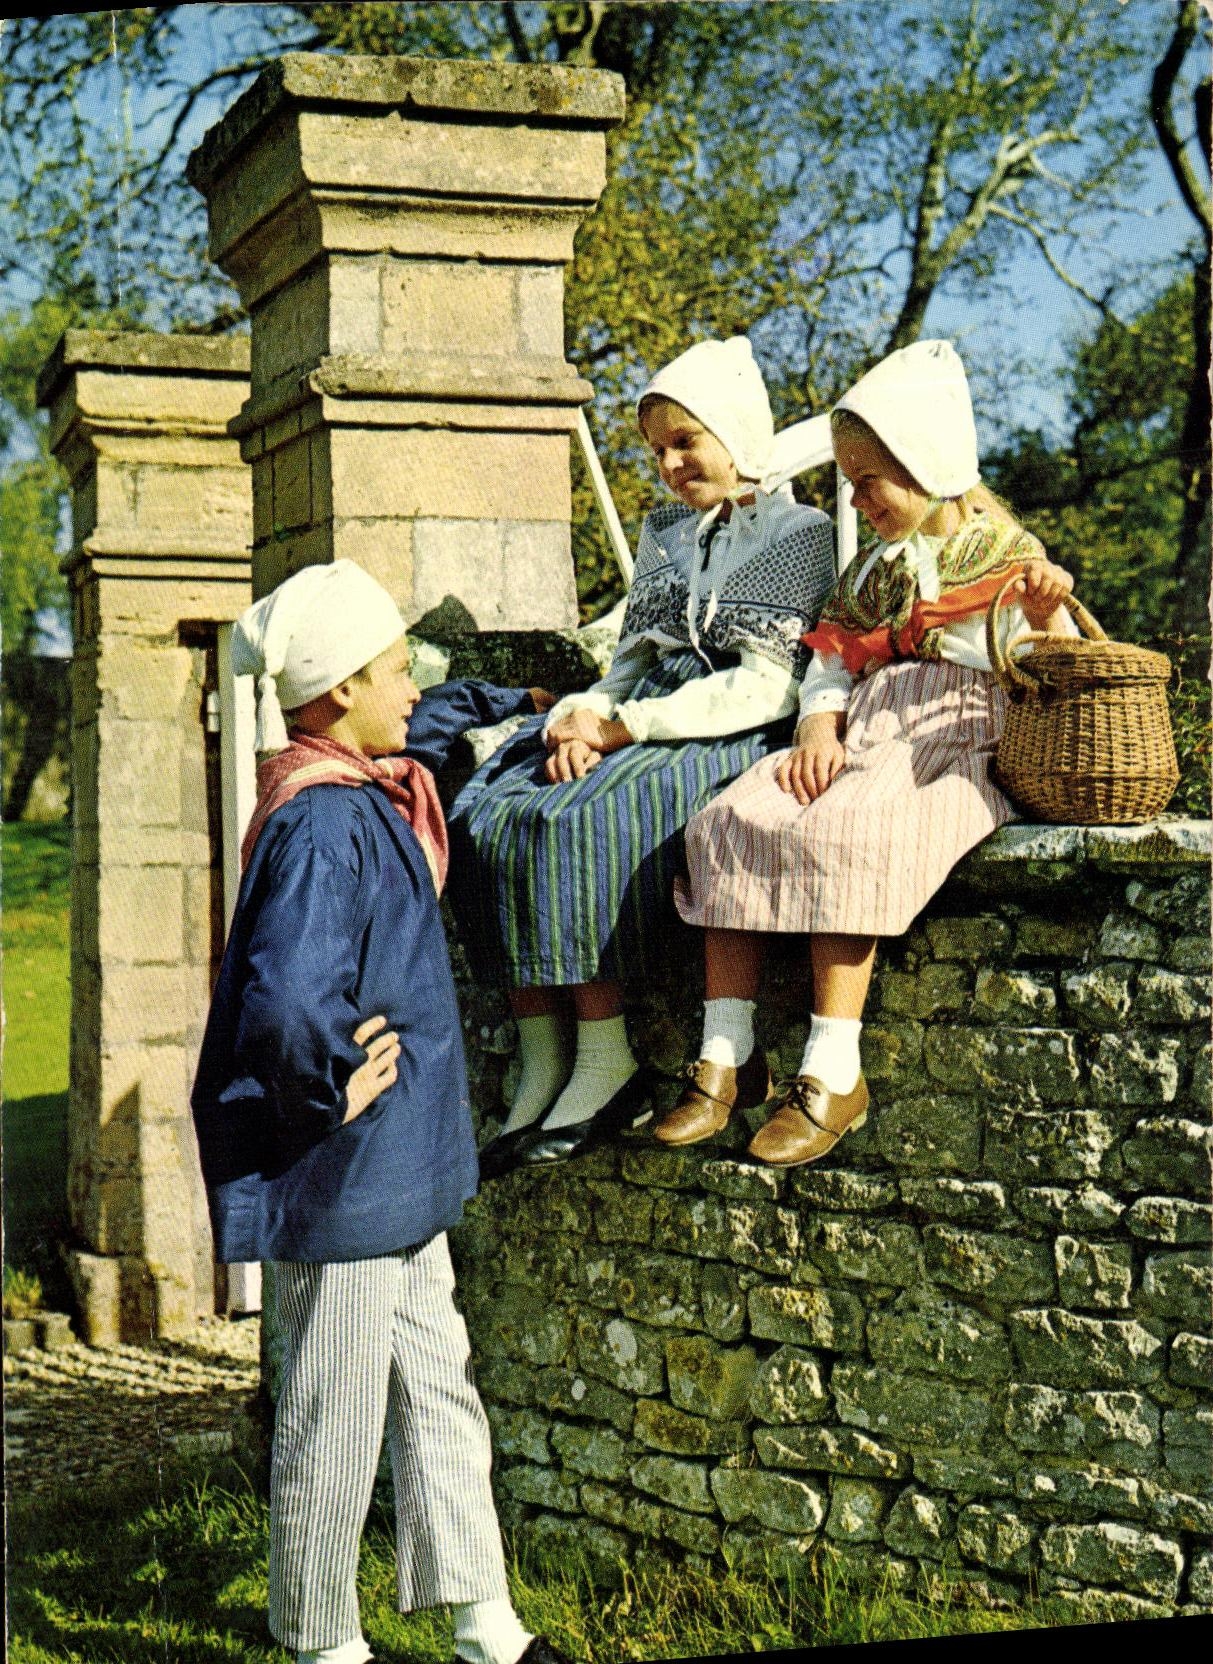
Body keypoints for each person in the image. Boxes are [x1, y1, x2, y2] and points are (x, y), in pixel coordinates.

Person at [190, 560, 568, 1664]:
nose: (416, 688)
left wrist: (536, 706)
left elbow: (442, 714)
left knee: (438, 1387)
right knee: (332, 1408)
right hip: (345, 1163)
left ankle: (481, 1618)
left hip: (397, 1165)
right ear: (343, 685)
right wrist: (326, 1089)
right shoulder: (321, 825)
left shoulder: (360, 776)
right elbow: (282, 993)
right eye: (397, 670)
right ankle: (321, 1639)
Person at [660, 338, 1076, 1165]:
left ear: (925, 462)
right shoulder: (871, 570)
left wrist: (1041, 612)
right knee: (728, 819)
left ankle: (832, 1068)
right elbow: (829, 660)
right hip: (864, 730)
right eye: (849, 482)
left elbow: (1053, 662)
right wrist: (818, 724)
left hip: (947, 740)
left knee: (848, 835)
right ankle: (725, 1052)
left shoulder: (1006, 556)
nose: (859, 498)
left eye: (870, 480)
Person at [447, 337, 837, 1175]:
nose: (667, 464)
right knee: (488, 808)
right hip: (644, 707)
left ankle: (604, 1052)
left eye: (685, 442)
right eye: (656, 449)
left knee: (573, 819)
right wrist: (581, 716)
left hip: (723, 726)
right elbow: (624, 663)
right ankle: (541, 1049)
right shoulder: (666, 535)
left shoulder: (798, 533)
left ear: (736, 433)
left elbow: (765, 688)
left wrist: (623, 728)